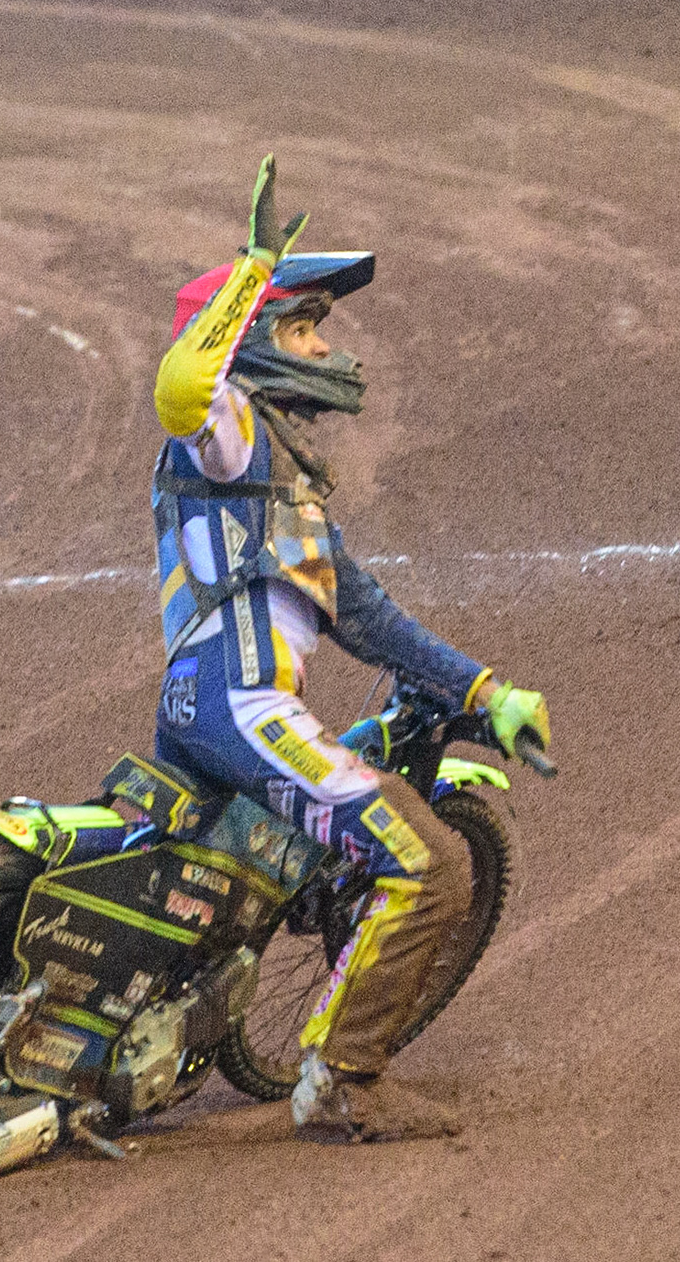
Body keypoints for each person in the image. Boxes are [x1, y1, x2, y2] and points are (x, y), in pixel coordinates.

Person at [149, 156, 551, 1142]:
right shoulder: (229, 432)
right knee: (433, 862)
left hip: (198, 710)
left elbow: (365, 615)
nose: (326, 347)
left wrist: (484, 690)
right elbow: (177, 385)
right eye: (304, 327)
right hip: (242, 706)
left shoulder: (282, 488)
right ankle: (343, 1080)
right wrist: (249, 275)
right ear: (252, 346)